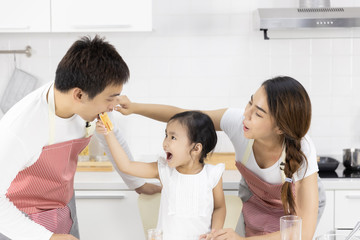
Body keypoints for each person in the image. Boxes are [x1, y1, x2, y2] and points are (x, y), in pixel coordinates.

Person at [113, 76, 326, 240]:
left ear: (280, 127)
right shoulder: (238, 123)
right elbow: (187, 117)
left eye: (258, 113)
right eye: (249, 103)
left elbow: (302, 233)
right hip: (254, 203)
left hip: (293, 212)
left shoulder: (302, 148)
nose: (246, 114)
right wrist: (135, 108)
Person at [0, 35, 160, 240]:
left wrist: (137, 183)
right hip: (18, 222)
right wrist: (46, 238)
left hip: (63, 209)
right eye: (110, 98)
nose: (113, 106)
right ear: (78, 95)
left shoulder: (92, 102)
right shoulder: (21, 128)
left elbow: (111, 135)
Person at [96, 111, 226, 240]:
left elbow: (219, 207)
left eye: (173, 137)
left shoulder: (212, 175)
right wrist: (108, 133)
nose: (165, 143)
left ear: (196, 149)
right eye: (166, 135)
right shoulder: (164, 170)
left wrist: (214, 234)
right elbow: (126, 166)